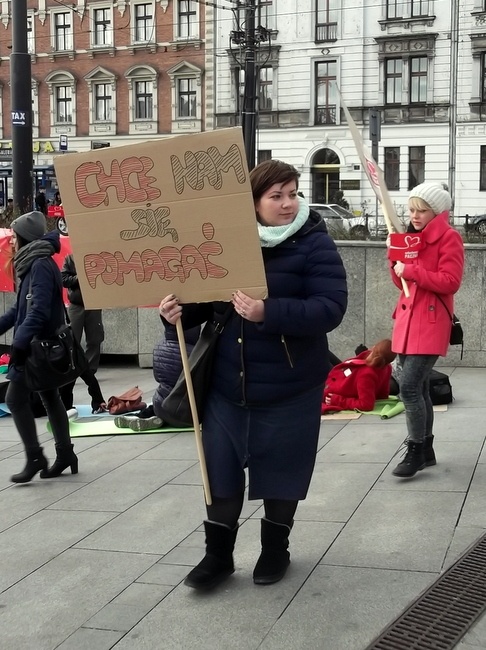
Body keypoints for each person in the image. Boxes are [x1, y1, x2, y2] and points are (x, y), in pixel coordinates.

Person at [161, 159, 348, 590]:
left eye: (292, 193)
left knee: (283, 472)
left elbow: (331, 307)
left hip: (290, 386)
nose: (287, 204)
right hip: (229, 385)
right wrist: (176, 311)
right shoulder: (228, 241)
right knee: (220, 473)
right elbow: (205, 303)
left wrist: (269, 312)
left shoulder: (314, 243)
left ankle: (274, 551)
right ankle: (217, 557)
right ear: (253, 202)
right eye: (275, 196)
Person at [388, 182, 464, 478]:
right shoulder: (411, 237)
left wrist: (412, 270)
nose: (415, 215)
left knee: (408, 387)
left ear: (437, 211)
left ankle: (416, 450)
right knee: (417, 387)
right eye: (411, 209)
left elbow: (450, 281)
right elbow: (402, 285)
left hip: (431, 324)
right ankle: (427, 450)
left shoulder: (449, 237)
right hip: (409, 322)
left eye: (422, 210)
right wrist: (394, 261)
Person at [0, 210, 78, 482]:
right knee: (49, 396)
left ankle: (35, 457)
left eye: (14, 237)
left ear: (25, 238)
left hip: (35, 348)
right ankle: (66, 453)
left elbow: (38, 312)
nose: (11, 242)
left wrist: (19, 344)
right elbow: (19, 311)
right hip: (36, 344)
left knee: (14, 399)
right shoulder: (32, 263)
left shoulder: (40, 265)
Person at [115, 317, 200, 431]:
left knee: (163, 395)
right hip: (185, 411)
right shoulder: (196, 353)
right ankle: (160, 419)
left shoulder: (159, 347)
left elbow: (157, 376)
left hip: (160, 404)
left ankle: (143, 416)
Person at [322, 339, 396, 414]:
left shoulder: (366, 374)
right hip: (346, 377)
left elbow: (366, 405)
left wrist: (338, 400)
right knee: (324, 352)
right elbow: (383, 394)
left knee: (321, 353)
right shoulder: (387, 367)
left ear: (374, 348)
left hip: (334, 390)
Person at [62, 253, 104, 373]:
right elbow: (63, 280)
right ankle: (72, 368)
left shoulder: (98, 256)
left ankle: (90, 370)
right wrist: (79, 278)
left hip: (94, 303)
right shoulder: (70, 258)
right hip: (76, 304)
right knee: (72, 338)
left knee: (95, 338)